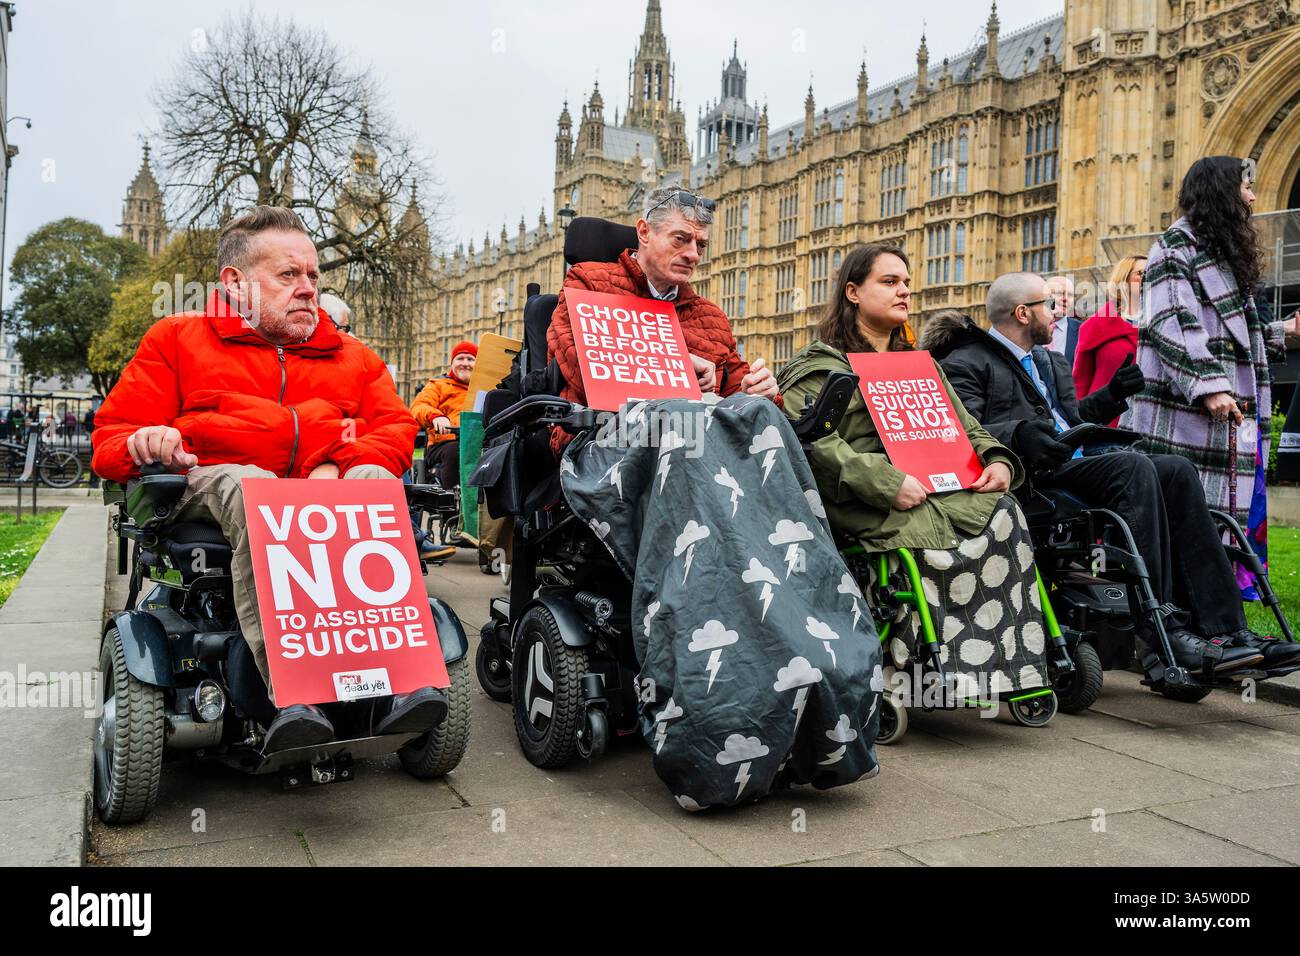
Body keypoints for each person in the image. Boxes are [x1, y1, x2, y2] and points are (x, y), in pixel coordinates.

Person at [91, 205, 445, 753]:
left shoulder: (352, 357)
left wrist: (335, 465)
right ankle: (291, 693)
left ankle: (402, 681)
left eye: (313, 276)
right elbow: (112, 438)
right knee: (253, 485)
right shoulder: (177, 339)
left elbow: (396, 430)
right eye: (288, 275)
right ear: (235, 283)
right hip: (212, 485)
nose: (308, 288)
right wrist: (146, 442)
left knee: (375, 476)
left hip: (317, 492)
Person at [924, 271, 1300, 676]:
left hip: (1076, 461)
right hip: (1031, 476)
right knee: (1132, 465)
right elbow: (960, 431)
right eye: (1049, 305)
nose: (1057, 314)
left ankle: (1227, 631)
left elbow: (1073, 418)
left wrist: (1112, 395)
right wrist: (1016, 434)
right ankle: (1164, 629)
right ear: (1022, 313)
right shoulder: (965, 363)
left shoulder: (1051, 361)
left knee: (1175, 468)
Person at [777, 246, 1053, 696]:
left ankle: (1007, 668)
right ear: (853, 292)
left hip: (935, 490)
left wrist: (997, 460)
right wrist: (888, 483)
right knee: (926, 534)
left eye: (906, 281)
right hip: (866, 499)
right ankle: (927, 671)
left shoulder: (920, 367)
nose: (904, 290)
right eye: (889, 282)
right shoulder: (820, 368)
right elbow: (812, 443)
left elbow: (967, 425)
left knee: (1004, 511)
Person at [1123, 157, 1300, 599]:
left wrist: (1286, 331)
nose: (1253, 197)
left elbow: (1235, 333)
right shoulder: (1174, 246)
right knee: (1189, 522)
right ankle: (1185, 626)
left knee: (1215, 526)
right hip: (1185, 413)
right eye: (1245, 188)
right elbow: (1170, 321)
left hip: (1220, 418)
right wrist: (1210, 386)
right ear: (1222, 192)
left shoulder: (1218, 254)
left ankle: (1216, 624)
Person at [546, 186, 779, 450]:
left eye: (700, 244)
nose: (693, 254)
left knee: (771, 431)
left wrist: (757, 391)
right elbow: (579, 366)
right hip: (600, 437)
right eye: (680, 239)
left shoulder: (711, 317)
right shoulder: (588, 282)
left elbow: (734, 391)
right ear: (644, 232)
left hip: (700, 449)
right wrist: (675, 365)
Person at [1072, 256, 1146, 426]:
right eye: (1141, 273)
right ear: (1123, 280)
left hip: (1152, 424)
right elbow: (1080, 383)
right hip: (1108, 422)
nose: (1149, 278)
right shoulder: (1096, 325)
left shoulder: (1167, 324)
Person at [411, 341, 476, 492]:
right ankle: (451, 503)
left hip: (477, 442)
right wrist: (435, 416)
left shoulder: (484, 388)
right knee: (456, 450)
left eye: (470, 359)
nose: (465, 363)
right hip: (445, 444)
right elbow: (418, 408)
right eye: (460, 358)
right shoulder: (438, 385)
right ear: (452, 363)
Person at [1045, 274, 1082, 365]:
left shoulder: (1083, 330)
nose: (1065, 299)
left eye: (1069, 295)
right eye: (1059, 293)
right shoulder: (1028, 328)